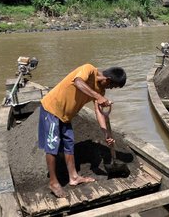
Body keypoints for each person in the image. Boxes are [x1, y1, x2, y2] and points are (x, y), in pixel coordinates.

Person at [38, 64, 126, 198]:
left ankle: (73, 177)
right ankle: (53, 182)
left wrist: (106, 134)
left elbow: (99, 112)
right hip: (52, 108)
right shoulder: (88, 69)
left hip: (66, 116)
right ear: (107, 79)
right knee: (52, 145)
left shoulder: (101, 91)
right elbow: (78, 82)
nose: (110, 89)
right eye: (112, 86)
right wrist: (98, 96)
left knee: (69, 144)